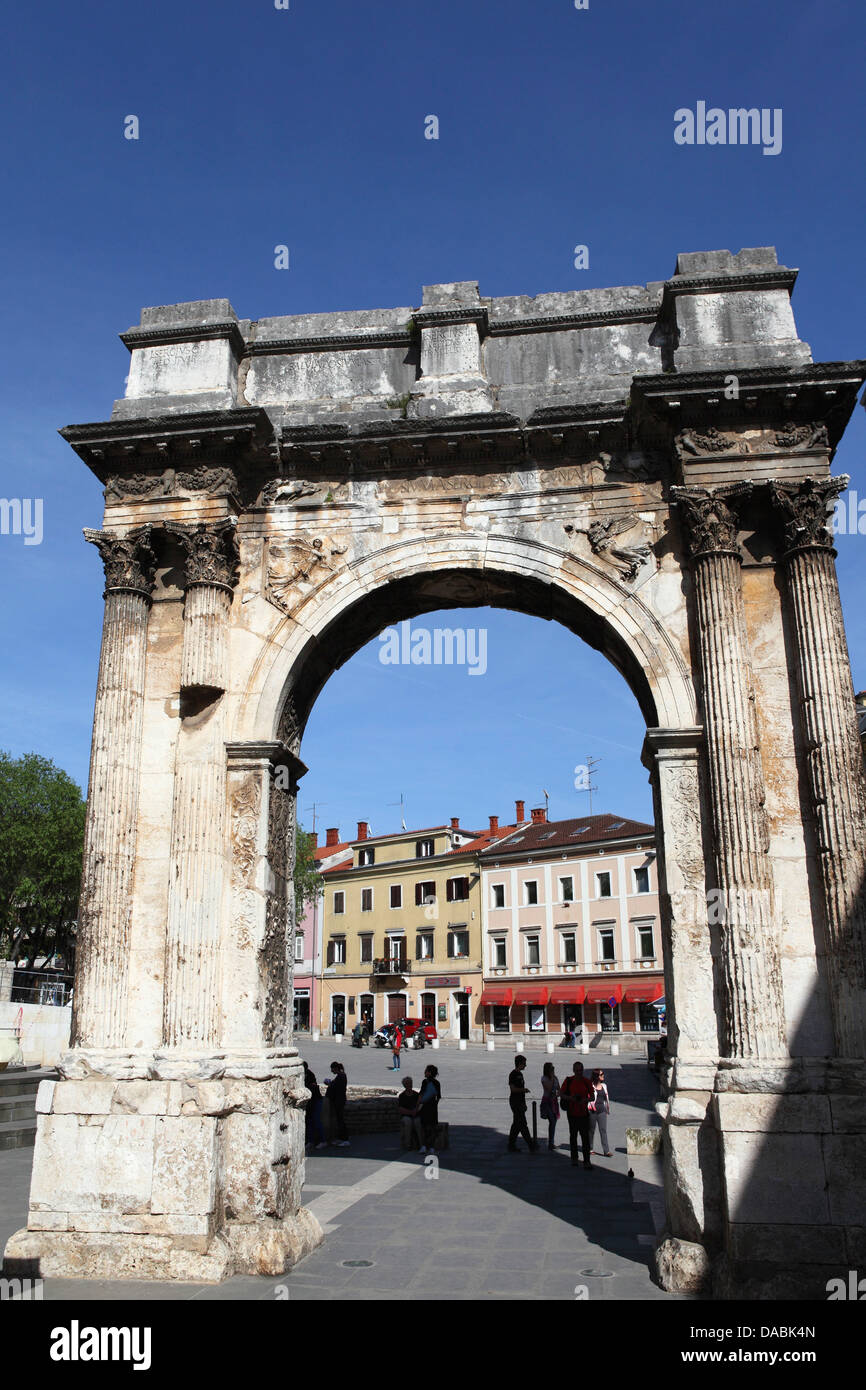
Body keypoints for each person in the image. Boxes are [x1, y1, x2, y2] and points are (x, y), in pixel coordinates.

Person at [560, 1060, 594, 1169]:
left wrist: (584, 1100)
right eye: (577, 1070)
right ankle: (574, 1159)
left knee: (585, 1138)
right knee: (573, 1137)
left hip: (584, 1113)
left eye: (581, 1070)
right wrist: (571, 1098)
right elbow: (561, 1094)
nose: (579, 1072)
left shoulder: (586, 1081)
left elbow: (592, 1097)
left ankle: (586, 1160)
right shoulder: (569, 1080)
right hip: (572, 1113)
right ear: (574, 1070)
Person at [507, 1055, 538, 1152]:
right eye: (524, 1063)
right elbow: (513, 1089)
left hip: (520, 1102)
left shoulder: (520, 1074)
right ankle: (531, 1145)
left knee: (516, 1124)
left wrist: (524, 1103)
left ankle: (511, 1145)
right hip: (515, 1102)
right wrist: (523, 1090)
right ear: (519, 1064)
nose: (525, 1065)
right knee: (522, 1124)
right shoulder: (513, 1074)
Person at [417, 1064, 441, 1154]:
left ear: (429, 1073)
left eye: (426, 1071)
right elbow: (438, 1097)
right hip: (433, 1108)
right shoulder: (437, 1083)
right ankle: (432, 1147)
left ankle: (423, 1146)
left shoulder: (425, 1082)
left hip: (425, 1107)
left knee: (424, 1128)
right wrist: (434, 1104)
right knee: (432, 1128)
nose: (424, 1072)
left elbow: (421, 1094)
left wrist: (417, 1106)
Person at [589, 1068, 613, 1157]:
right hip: (593, 1111)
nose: (603, 1075)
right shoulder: (591, 1086)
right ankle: (590, 1148)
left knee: (603, 1130)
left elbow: (606, 1099)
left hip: (602, 1111)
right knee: (591, 1130)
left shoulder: (604, 1086)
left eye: (603, 1074)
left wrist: (607, 1108)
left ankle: (606, 1151)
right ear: (596, 1076)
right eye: (601, 1074)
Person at [325, 1061, 349, 1146]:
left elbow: (336, 1087)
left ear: (335, 1068)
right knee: (339, 1120)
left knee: (341, 1120)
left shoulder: (341, 1076)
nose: (332, 1071)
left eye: (332, 1069)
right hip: (338, 1100)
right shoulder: (340, 1076)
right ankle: (341, 1138)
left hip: (340, 1101)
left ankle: (345, 1139)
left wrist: (330, 1084)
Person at [303, 1062, 326, 1149]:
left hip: (315, 1101)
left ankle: (322, 1141)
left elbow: (311, 1089)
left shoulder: (309, 1075)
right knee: (309, 1122)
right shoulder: (306, 1075)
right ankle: (311, 1141)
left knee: (317, 1121)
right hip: (310, 1102)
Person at [540, 1061, 561, 1150]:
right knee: (552, 1120)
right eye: (551, 1068)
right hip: (547, 1101)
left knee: (554, 1121)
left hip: (554, 1101)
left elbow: (559, 1089)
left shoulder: (555, 1078)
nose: (553, 1069)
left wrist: (558, 1094)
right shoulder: (544, 1078)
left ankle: (551, 1142)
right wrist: (552, 1078)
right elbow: (548, 1089)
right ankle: (550, 1143)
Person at [398, 1076, 422, 1150]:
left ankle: (421, 1144)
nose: (409, 1085)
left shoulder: (416, 1094)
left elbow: (419, 1105)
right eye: (407, 1084)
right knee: (408, 1122)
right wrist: (410, 1112)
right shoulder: (402, 1096)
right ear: (404, 1085)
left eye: (410, 1083)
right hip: (406, 1116)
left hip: (416, 1115)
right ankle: (408, 1144)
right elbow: (401, 1109)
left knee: (418, 1122)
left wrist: (416, 1111)